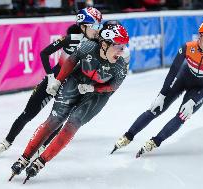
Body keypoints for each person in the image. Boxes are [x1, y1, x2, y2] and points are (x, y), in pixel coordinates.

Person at [9, 23, 130, 183]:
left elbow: (112, 87)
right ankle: (24, 158)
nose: (122, 51)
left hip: (98, 94)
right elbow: (71, 61)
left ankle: (41, 162)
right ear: (105, 43)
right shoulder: (87, 46)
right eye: (118, 46)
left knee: (72, 124)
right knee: (54, 119)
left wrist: (92, 89)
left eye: (124, 46)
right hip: (76, 79)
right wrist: (58, 81)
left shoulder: (121, 65)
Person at [0, 7, 103, 159]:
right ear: (83, 26)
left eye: (99, 26)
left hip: (70, 85)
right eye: (94, 26)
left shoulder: (98, 45)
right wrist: (50, 77)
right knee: (28, 113)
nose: (97, 30)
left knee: (59, 118)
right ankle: (7, 141)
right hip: (54, 80)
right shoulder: (71, 38)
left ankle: (43, 145)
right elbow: (44, 53)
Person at [111, 19, 203, 158]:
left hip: (199, 89)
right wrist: (162, 94)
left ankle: (155, 141)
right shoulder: (187, 47)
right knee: (155, 108)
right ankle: (128, 136)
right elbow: (173, 71)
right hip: (183, 79)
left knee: (182, 115)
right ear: (200, 35)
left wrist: (194, 100)